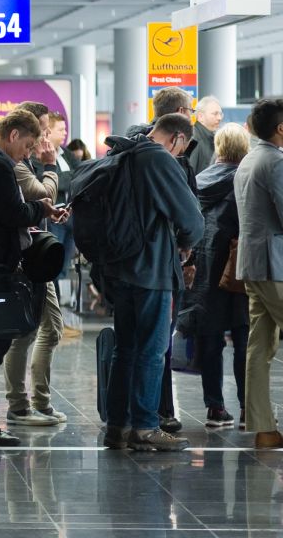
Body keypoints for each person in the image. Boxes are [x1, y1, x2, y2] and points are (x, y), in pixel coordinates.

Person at [0, 110, 67, 446]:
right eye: (29, 145)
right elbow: (12, 213)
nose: (30, 153)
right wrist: (41, 210)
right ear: (14, 134)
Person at [101, 113, 203, 452]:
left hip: (121, 267)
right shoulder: (159, 158)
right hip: (153, 269)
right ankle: (145, 426)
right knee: (152, 349)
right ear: (176, 139)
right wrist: (187, 244)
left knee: (125, 348)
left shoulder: (122, 152)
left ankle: (117, 426)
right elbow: (191, 218)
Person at [2, 101, 67, 428]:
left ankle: (38, 400)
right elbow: (44, 194)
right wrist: (50, 167)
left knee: (51, 328)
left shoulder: (22, 160)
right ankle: (20, 405)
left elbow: (43, 204)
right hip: (23, 258)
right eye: (37, 134)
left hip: (37, 252)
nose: (43, 141)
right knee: (24, 332)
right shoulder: (16, 164)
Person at [182, 123, 249, 429]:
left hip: (207, 270)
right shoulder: (244, 180)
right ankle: (249, 408)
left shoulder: (199, 181)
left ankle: (215, 407)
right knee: (244, 339)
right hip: (239, 270)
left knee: (211, 340)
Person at [233, 98, 283, 449]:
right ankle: (263, 427)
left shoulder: (249, 159)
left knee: (259, 346)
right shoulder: (275, 162)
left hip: (253, 263)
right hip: (275, 265)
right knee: (258, 346)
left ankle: (264, 428)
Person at [45, 113, 79, 309]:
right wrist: (67, 178)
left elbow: (82, 173)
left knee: (64, 268)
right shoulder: (39, 154)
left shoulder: (66, 154)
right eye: (60, 129)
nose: (65, 133)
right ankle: (50, 309)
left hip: (71, 218)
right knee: (53, 267)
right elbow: (49, 182)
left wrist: (63, 178)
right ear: (48, 131)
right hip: (52, 219)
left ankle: (56, 308)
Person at [188, 96, 224, 176]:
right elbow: (190, 174)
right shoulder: (194, 138)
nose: (219, 118)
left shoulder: (211, 137)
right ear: (200, 117)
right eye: (215, 114)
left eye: (220, 114)